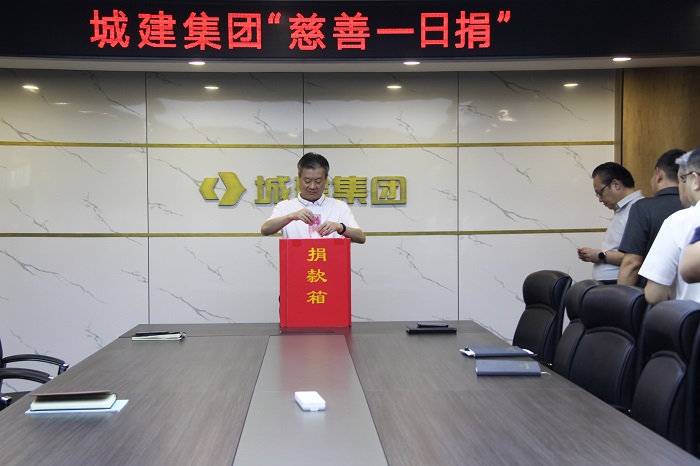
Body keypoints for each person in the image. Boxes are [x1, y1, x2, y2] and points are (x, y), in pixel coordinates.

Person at [261, 152, 366, 244]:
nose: (312, 186)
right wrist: (290, 217)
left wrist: (340, 227)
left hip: (328, 260)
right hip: (297, 261)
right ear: (299, 178)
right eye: (307, 181)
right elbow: (265, 230)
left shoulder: (339, 207)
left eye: (318, 181)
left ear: (326, 179)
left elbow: (361, 238)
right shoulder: (285, 206)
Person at [639, 147, 700, 304]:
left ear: (696, 180)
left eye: (682, 179)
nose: (680, 187)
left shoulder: (678, 222)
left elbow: (654, 295)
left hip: (692, 317)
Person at [616, 149, 685, 286]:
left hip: (654, 293)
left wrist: (620, 297)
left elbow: (632, 263)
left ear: (659, 174)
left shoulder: (642, 208)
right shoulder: (694, 209)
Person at [577, 162, 643, 283]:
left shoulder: (638, 209)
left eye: (600, 192)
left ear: (616, 185)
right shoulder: (623, 209)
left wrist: (601, 255)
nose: (600, 199)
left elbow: (634, 258)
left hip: (620, 284)